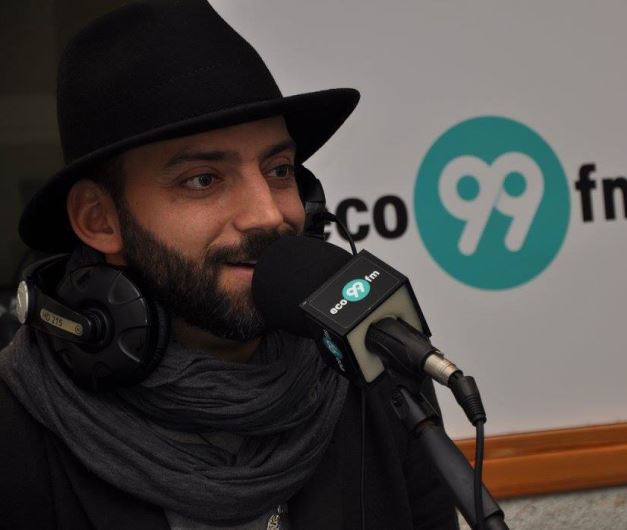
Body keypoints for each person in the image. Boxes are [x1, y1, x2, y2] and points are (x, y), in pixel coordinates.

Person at [0, 1, 459, 529]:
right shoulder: (17, 434)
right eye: (203, 179)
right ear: (100, 220)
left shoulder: (376, 369)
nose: (269, 215)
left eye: (279, 169)